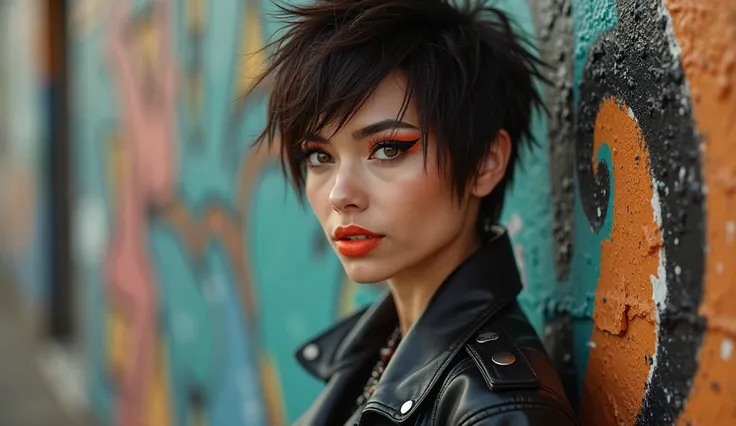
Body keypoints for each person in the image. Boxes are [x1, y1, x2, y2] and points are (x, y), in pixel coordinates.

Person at [249, 0, 577, 424]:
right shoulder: (377, 349)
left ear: (484, 162)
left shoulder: (494, 412)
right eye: (318, 156)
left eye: (387, 149)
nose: (340, 194)